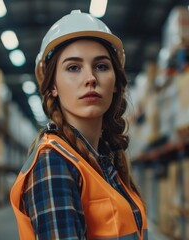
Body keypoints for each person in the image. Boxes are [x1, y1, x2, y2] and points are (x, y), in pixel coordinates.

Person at [10, 10, 148, 239]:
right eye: (73, 67)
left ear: (115, 83)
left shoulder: (105, 160)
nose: (90, 78)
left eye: (101, 66)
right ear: (52, 86)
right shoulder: (53, 163)